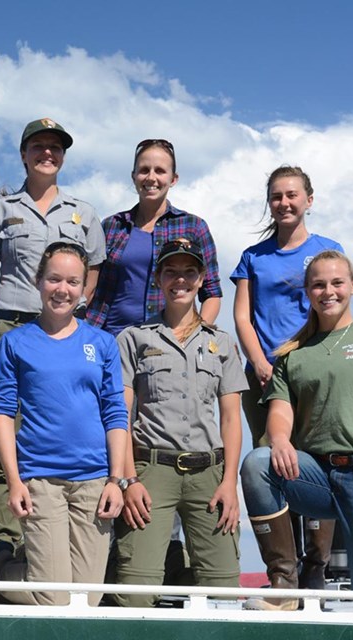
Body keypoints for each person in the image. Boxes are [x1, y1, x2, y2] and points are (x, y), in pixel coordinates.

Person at [0, 117, 106, 556]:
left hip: (69, 332)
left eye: (55, 147)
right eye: (38, 147)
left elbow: (93, 274)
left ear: (64, 156)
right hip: (15, 324)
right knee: (7, 426)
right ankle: (3, 538)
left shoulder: (83, 213)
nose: (47, 154)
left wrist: (71, 316)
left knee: (67, 424)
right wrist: (9, 320)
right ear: (23, 154)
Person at [0, 242, 127, 605]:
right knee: (56, 600)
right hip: (40, 481)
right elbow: (3, 413)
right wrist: (14, 481)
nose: (62, 290)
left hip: (94, 482)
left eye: (72, 281)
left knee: (86, 600)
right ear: (38, 281)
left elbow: (115, 412)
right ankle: (0, 569)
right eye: (53, 279)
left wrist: (116, 480)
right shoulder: (14, 342)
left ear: (84, 289)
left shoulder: (102, 343)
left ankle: (35, 568)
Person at [113, 239, 246, 607]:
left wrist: (229, 483)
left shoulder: (222, 343)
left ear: (202, 279)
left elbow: (232, 418)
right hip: (151, 472)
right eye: (171, 272)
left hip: (209, 475)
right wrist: (129, 479)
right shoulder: (133, 339)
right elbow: (120, 414)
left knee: (224, 593)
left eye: (189, 272)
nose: (180, 280)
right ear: (158, 279)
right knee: (135, 592)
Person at [231, 166, 343, 589]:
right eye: (276, 196)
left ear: (308, 200)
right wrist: (259, 361)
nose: (284, 203)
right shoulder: (253, 257)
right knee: (270, 467)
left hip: (311, 376)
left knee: (312, 466)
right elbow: (243, 316)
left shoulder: (327, 250)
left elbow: (334, 310)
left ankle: (316, 566)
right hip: (264, 378)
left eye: (292, 195)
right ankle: (285, 573)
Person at [241, 250, 353, 611]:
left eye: (337, 282)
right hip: (316, 477)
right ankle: (284, 585)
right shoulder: (291, 355)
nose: (328, 291)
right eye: (319, 284)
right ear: (307, 292)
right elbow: (280, 413)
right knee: (258, 463)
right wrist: (278, 440)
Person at [86, 138, 222, 334]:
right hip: (109, 339)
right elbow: (90, 288)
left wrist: (192, 336)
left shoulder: (194, 226)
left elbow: (211, 293)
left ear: (173, 179)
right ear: (133, 176)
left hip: (170, 341)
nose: (151, 177)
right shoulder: (111, 226)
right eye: (144, 170)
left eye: (160, 170)